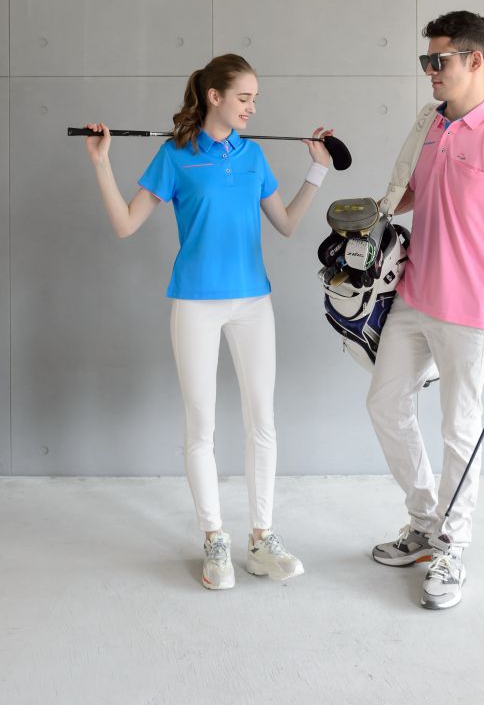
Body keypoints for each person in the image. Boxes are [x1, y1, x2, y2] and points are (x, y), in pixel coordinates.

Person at [84, 54, 332, 589]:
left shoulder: (253, 155)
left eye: (255, 98)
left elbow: (287, 224)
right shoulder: (175, 156)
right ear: (215, 96)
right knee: (201, 426)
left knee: (262, 421)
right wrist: (102, 163)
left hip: (253, 303)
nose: (252, 107)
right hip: (195, 302)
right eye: (244, 97)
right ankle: (215, 539)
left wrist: (317, 170)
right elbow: (125, 224)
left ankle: (261, 539)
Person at [367, 11, 484, 610]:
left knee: (459, 430)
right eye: (426, 61)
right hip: (412, 296)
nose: (429, 71)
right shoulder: (430, 126)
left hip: (468, 313)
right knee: (384, 404)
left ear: (475, 61)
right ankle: (425, 521)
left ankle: (452, 544)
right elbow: (415, 192)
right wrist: (371, 211)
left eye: (438, 60)